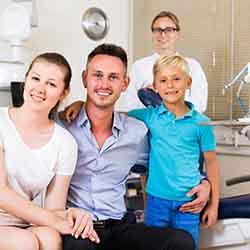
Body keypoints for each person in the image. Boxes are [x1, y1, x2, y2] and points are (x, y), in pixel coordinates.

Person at [57, 43, 211, 250]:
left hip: (120, 226)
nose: (104, 84)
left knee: (181, 241)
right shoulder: (62, 126)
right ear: (85, 78)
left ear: (125, 83)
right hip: (79, 227)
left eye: (113, 77)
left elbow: (166, 160)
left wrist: (204, 182)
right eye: (97, 75)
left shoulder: (136, 131)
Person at [0, 52, 97, 250]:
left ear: (63, 93)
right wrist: (58, 221)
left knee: (50, 237)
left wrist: (73, 214)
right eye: (35, 78)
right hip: (14, 228)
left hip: (22, 222)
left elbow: (54, 209)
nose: (40, 89)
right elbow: (1, 193)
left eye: (51, 84)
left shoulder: (65, 143)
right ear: (25, 80)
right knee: (25, 243)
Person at [128, 55, 220, 248]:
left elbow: (212, 164)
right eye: (163, 80)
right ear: (155, 86)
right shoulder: (150, 117)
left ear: (189, 82)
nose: (169, 85)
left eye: (176, 79)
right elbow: (111, 114)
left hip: (189, 204)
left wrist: (213, 204)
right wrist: (80, 106)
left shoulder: (201, 123)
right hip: (156, 203)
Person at [124, 11, 208, 113]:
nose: (163, 34)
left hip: (183, 126)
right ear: (152, 34)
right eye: (158, 30)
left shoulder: (193, 66)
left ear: (178, 34)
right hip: (147, 126)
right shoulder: (139, 67)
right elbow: (130, 105)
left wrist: (166, 98)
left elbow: (200, 105)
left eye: (169, 30)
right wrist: (150, 99)